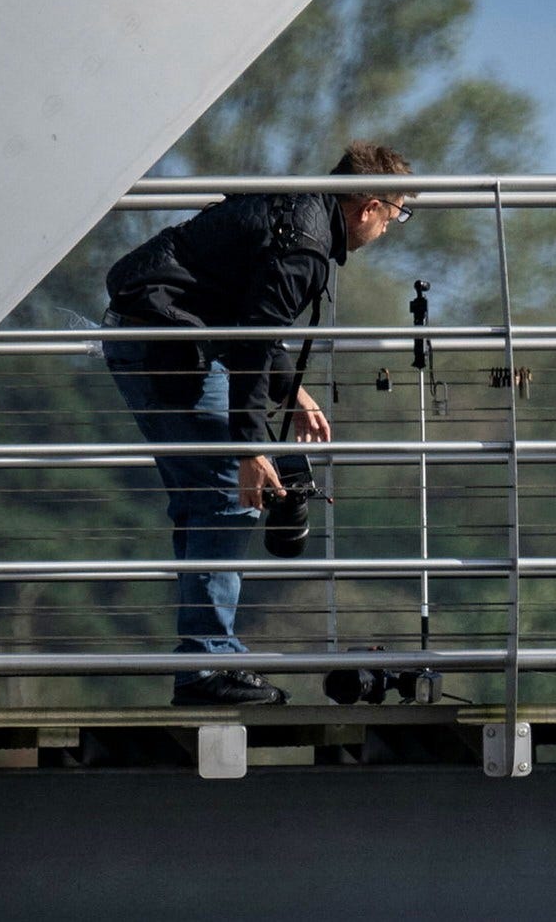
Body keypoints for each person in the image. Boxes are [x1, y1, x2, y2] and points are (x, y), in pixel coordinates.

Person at [103, 141, 413, 705]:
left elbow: (249, 320)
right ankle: (207, 665)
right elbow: (252, 337)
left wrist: (290, 391)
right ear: (368, 207)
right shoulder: (309, 245)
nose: (391, 228)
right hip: (166, 344)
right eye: (396, 214)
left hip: (153, 332)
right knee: (228, 494)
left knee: (204, 498)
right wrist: (251, 449)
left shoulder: (298, 206)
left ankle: (207, 657)